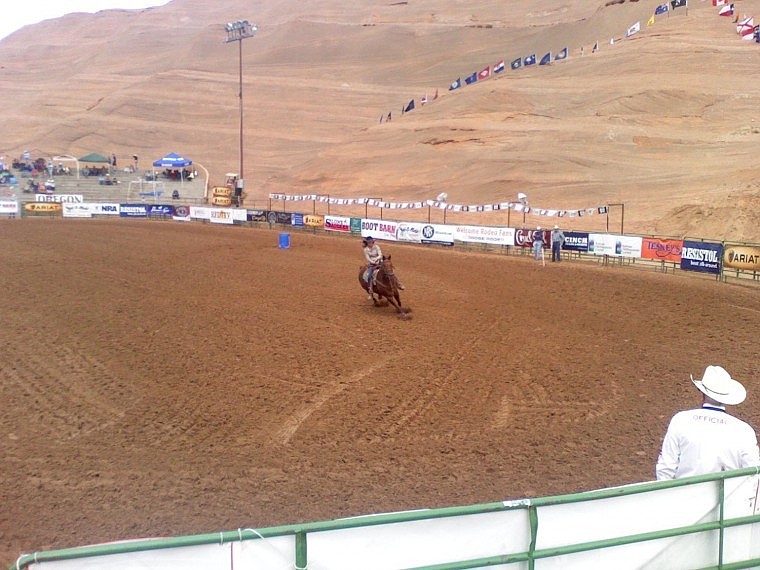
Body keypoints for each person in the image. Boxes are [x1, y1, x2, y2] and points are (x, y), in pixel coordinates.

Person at [655, 365, 760, 481]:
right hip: (727, 497)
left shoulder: (680, 420)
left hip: (685, 496)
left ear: (701, 391)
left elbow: (665, 468)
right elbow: (753, 474)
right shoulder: (744, 430)